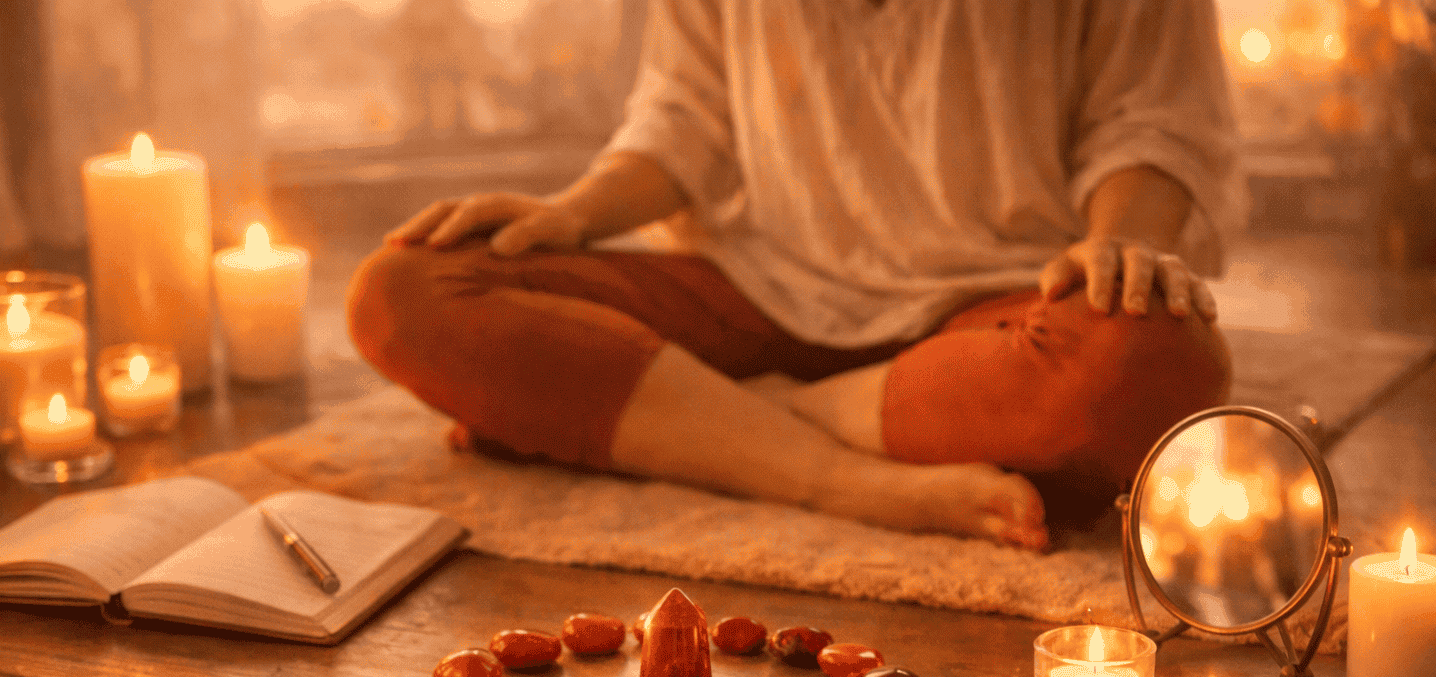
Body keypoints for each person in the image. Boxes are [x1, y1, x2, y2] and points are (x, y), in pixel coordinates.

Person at [347, 0, 1239, 549]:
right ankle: (853, 479)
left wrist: (1120, 240)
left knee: (1152, 361)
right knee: (407, 290)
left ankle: (707, 422)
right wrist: (575, 213)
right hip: (760, 285)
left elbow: (1150, 119)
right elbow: (682, 117)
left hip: (1000, 311)